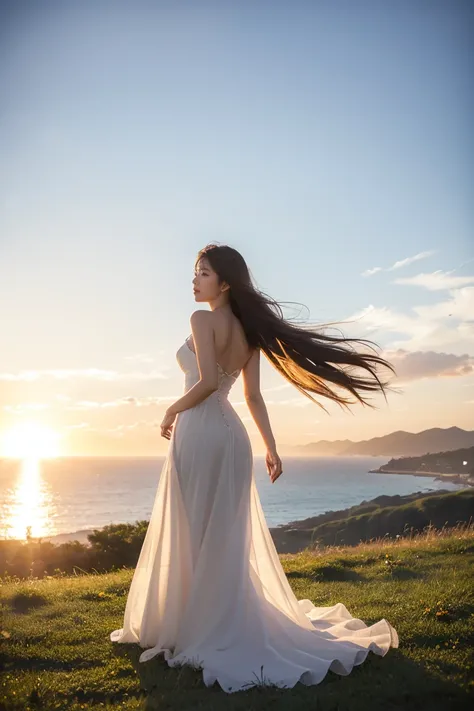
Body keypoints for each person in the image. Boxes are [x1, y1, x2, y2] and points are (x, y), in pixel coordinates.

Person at [110, 243, 399, 693]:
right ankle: (210, 620)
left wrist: (169, 410)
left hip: (201, 434)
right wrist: (271, 446)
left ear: (224, 282)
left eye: (202, 273)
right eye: (194, 272)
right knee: (221, 535)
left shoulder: (201, 320)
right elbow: (252, 397)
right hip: (232, 439)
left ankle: (193, 626)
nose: (194, 279)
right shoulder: (248, 332)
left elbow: (207, 383)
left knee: (194, 529)